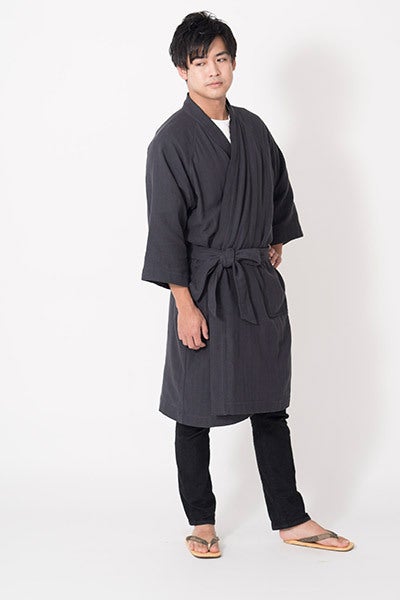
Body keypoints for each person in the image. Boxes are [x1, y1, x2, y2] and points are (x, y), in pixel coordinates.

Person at [141, 11, 354, 558]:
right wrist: (185, 305)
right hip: (204, 291)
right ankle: (202, 521)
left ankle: (291, 518)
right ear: (182, 71)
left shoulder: (255, 129)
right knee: (193, 409)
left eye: (221, 58)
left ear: (233, 63)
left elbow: (278, 192)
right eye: (200, 62)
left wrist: (272, 239)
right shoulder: (171, 141)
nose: (213, 70)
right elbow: (166, 228)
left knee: (269, 404)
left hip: (255, 287)